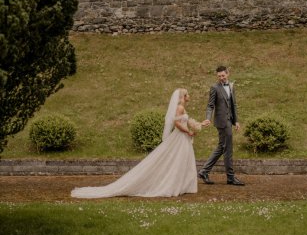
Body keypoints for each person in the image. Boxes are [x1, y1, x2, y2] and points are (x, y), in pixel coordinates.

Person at [71, 88, 207, 198]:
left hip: (182, 138)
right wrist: (187, 132)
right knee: (176, 160)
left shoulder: (182, 108)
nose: (189, 96)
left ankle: (182, 185)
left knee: (182, 160)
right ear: (183, 97)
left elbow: (185, 121)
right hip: (180, 137)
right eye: (187, 94)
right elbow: (177, 123)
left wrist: (198, 124)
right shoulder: (180, 108)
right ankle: (173, 185)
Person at [198, 66, 245, 186]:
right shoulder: (214, 87)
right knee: (228, 149)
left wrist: (236, 121)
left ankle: (204, 171)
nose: (221, 78)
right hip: (222, 122)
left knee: (221, 147)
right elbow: (210, 105)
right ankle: (230, 178)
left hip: (229, 121)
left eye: (223, 75)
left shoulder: (231, 86)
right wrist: (208, 118)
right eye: (219, 76)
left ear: (228, 74)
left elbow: (233, 104)